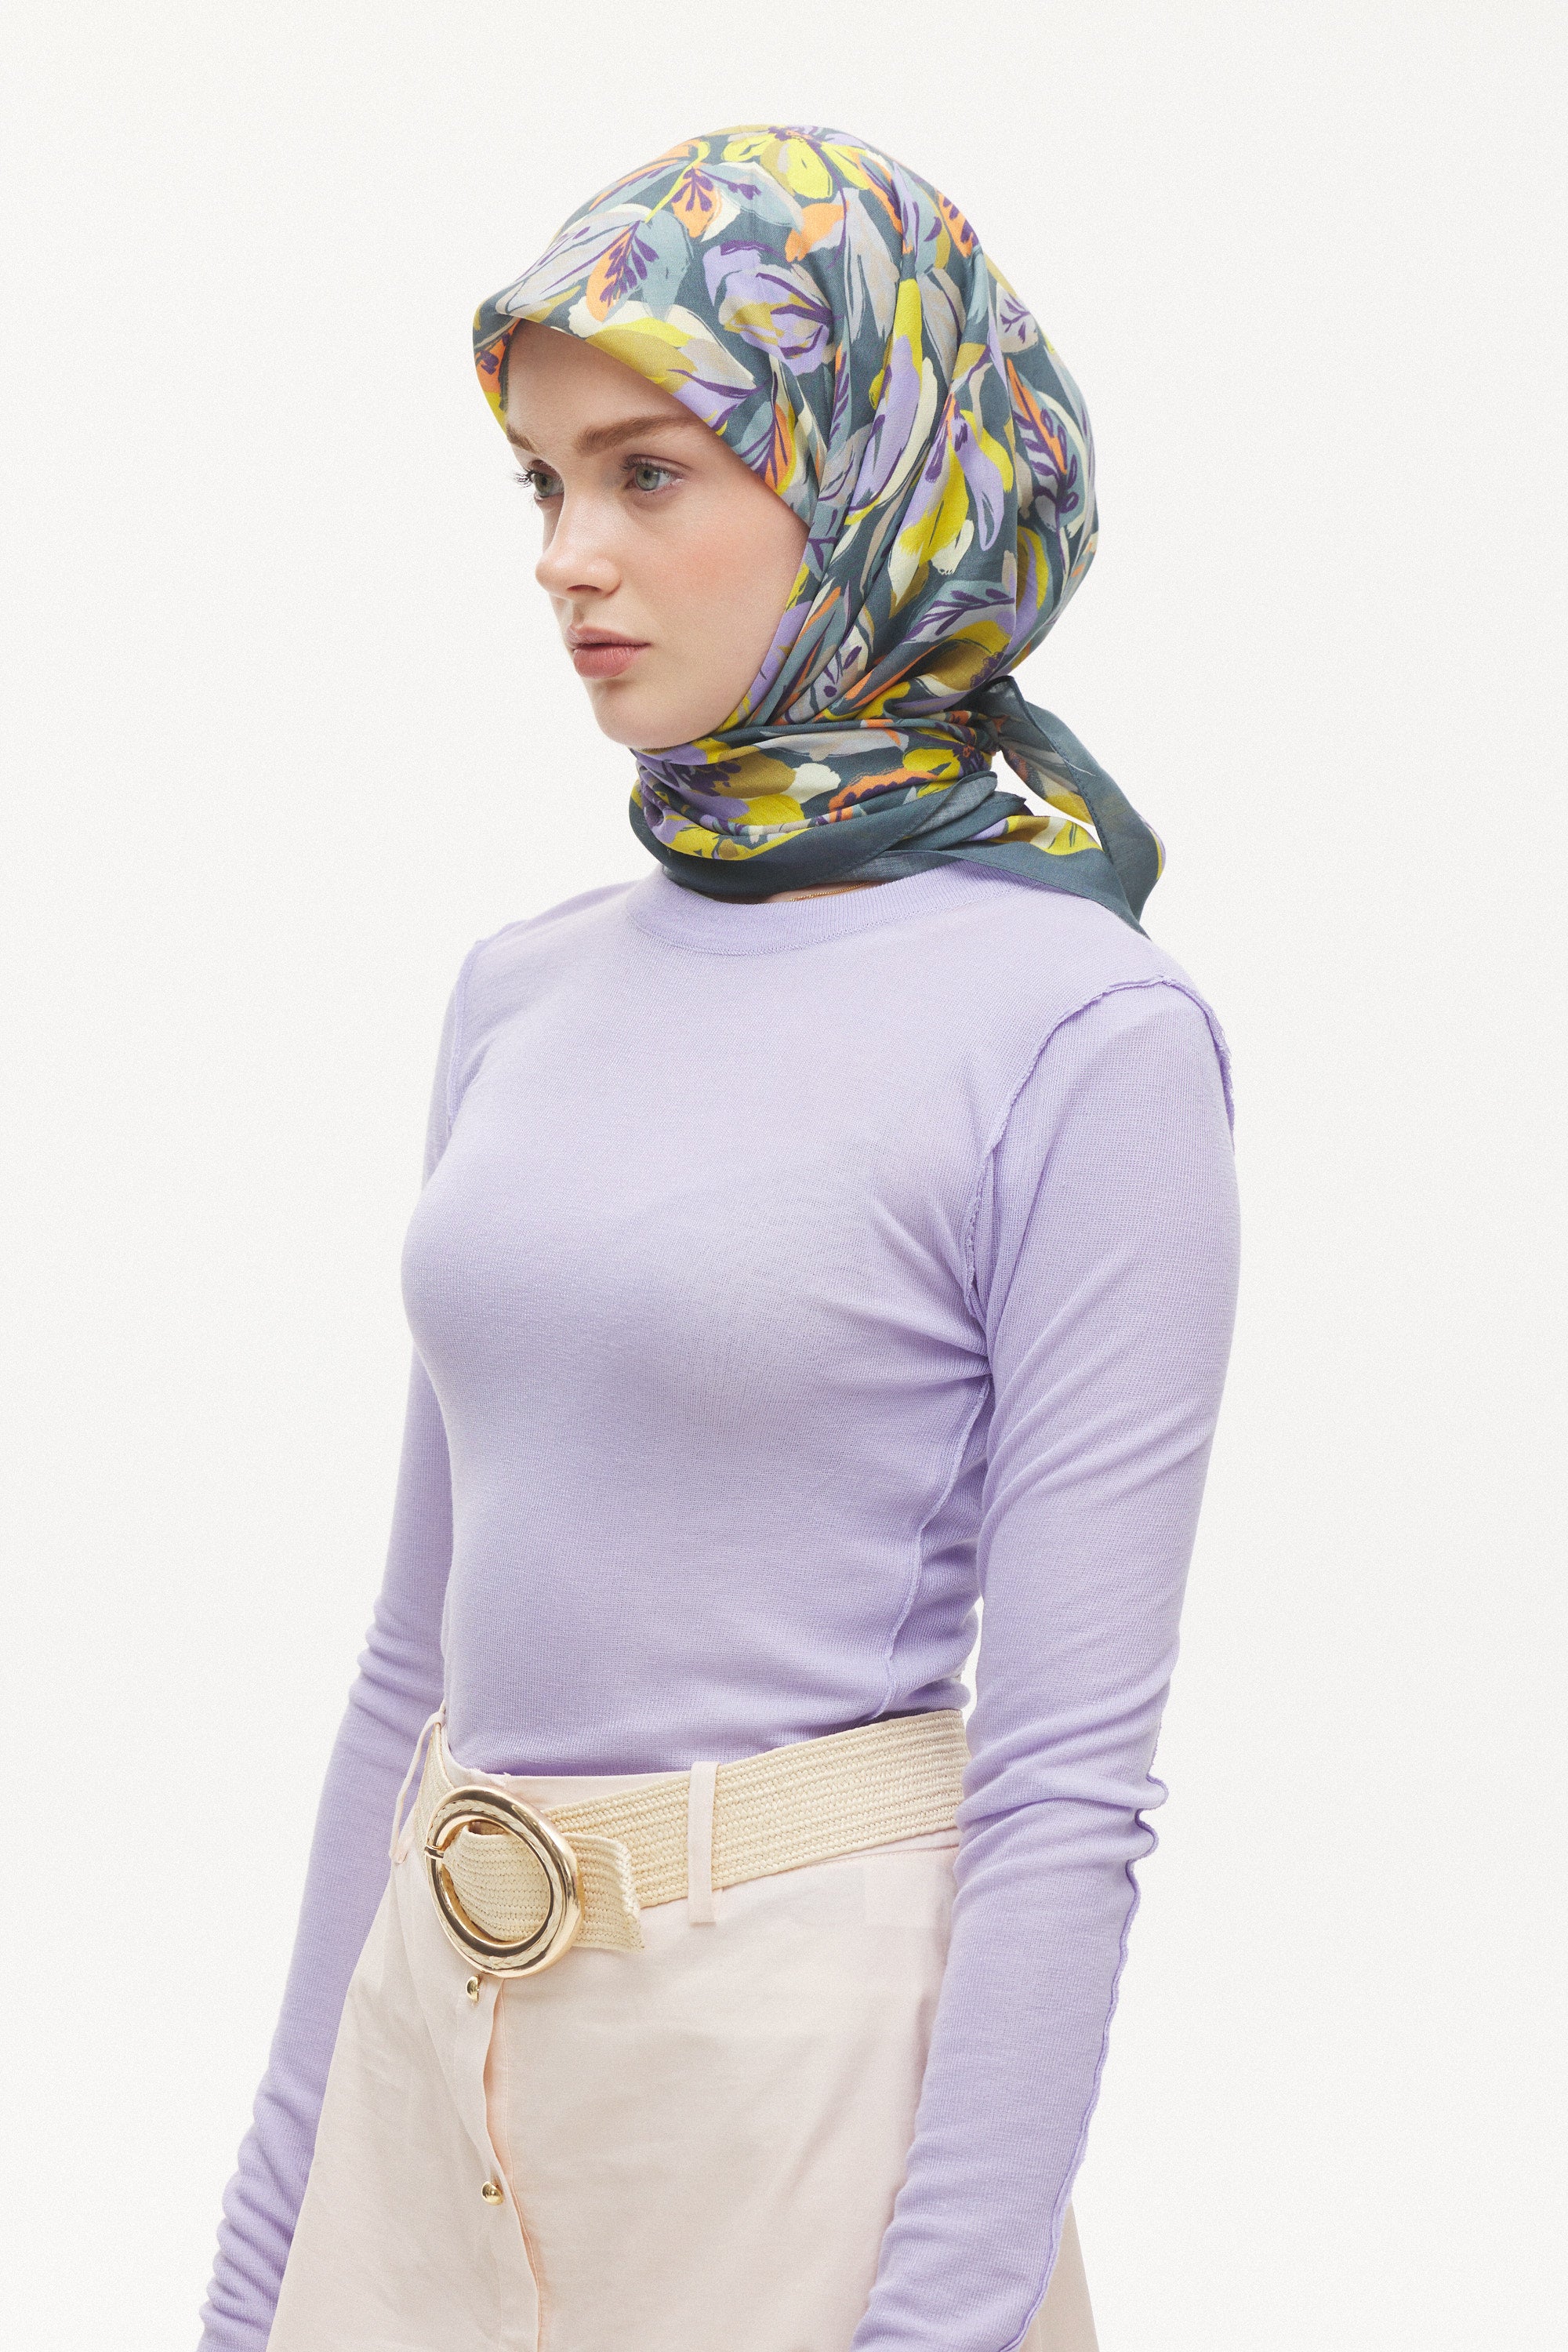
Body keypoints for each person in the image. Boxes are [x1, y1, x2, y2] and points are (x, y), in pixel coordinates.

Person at [198, 122, 1240, 2352]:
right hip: (432, 2048)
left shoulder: (1083, 1032)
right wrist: (264, 2261)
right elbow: (405, 1674)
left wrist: (939, 2325)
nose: (567, 557)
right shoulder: (520, 993)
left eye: (649, 473)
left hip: (803, 2105)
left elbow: (1066, 1788)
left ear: (871, 486)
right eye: (542, 483)